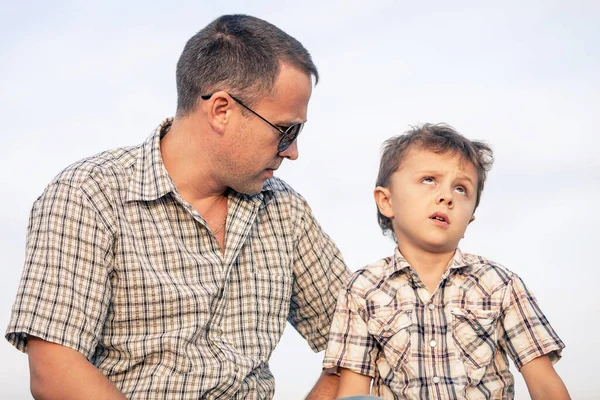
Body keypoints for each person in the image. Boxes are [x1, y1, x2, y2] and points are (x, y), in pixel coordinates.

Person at [6, 14, 350, 399]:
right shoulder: (88, 195)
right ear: (222, 110)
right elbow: (55, 369)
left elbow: (359, 342)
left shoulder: (285, 210)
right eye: (286, 130)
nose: (293, 151)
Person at [323, 124, 569, 399]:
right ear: (386, 201)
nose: (446, 196)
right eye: (429, 179)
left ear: (469, 220)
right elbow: (353, 392)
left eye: (462, 189)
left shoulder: (500, 284)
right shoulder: (362, 289)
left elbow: (545, 385)